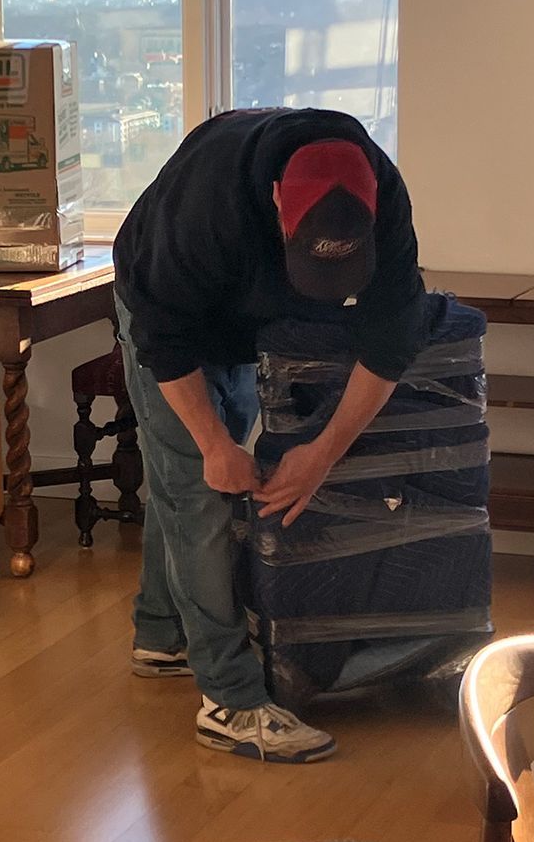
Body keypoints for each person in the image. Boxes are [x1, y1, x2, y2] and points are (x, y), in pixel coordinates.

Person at [114, 107, 426, 763]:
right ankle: (231, 701)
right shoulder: (207, 208)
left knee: (186, 483)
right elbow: (166, 341)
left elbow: (391, 342)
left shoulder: (385, 195)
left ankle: (162, 632)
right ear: (279, 199)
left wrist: (321, 456)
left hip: (249, 310)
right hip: (169, 307)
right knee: (199, 485)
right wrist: (214, 445)